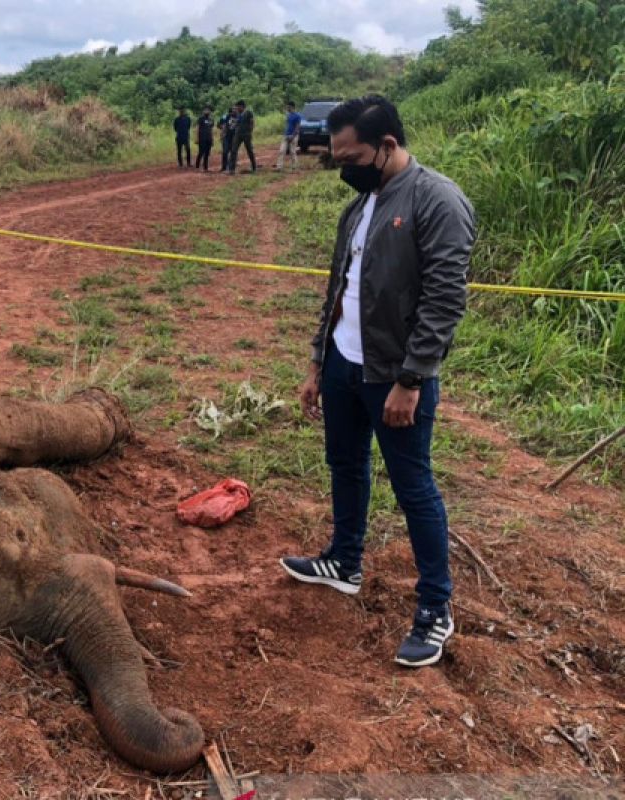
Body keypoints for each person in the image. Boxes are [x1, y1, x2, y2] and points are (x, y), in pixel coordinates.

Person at [281, 95, 477, 668]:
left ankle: (435, 609)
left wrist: (412, 379)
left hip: (395, 377)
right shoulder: (360, 205)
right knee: (345, 464)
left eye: (353, 155)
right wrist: (319, 362)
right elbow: (338, 288)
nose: (344, 166)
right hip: (344, 365)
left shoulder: (437, 200)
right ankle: (344, 561)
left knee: (413, 486)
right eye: (337, 155)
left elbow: (445, 300)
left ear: (388, 146)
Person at [227, 100, 256, 174]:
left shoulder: (248, 113)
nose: (237, 108)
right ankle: (231, 169)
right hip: (238, 134)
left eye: (238, 107)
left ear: (242, 107)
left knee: (249, 151)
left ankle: (254, 167)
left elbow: (252, 122)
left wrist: (250, 132)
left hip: (246, 134)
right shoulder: (238, 114)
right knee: (233, 150)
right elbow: (236, 122)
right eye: (236, 107)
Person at [276, 100, 302, 171]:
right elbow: (287, 125)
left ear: (292, 107)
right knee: (281, 151)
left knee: (292, 152)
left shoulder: (298, 116)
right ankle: (279, 167)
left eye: (288, 107)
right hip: (286, 135)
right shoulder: (288, 115)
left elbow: (297, 127)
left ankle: (294, 166)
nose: (287, 108)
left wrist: (292, 136)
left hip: (293, 136)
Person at [218, 105, 238, 172]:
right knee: (225, 151)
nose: (234, 110)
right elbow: (221, 125)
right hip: (226, 136)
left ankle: (231, 167)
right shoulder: (227, 116)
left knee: (233, 152)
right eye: (233, 109)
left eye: (235, 109)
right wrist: (223, 131)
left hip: (234, 137)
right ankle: (224, 167)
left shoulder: (239, 116)